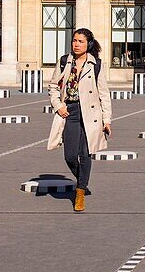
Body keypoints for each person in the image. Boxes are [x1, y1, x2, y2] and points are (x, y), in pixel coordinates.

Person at [47, 28, 112, 212]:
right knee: (69, 155)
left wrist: (107, 120)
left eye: (80, 41)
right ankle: (81, 180)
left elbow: (103, 94)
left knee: (85, 154)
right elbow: (53, 86)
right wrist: (58, 105)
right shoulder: (64, 62)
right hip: (70, 112)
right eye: (74, 40)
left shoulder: (96, 64)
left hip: (91, 114)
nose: (76, 44)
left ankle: (80, 192)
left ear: (88, 44)